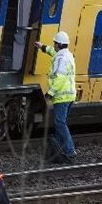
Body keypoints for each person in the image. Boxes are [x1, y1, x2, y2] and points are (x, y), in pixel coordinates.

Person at [35, 31, 77, 164]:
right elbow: (53, 53)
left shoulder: (61, 59)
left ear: (58, 44)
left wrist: (50, 93)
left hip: (61, 97)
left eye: (54, 43)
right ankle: (58, 152)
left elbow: (59, 78)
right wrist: (42, 47)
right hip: (70, 95)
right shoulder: (67, 55)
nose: (53, 46)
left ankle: (70, 151)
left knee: (60, 123)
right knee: (60, 124)